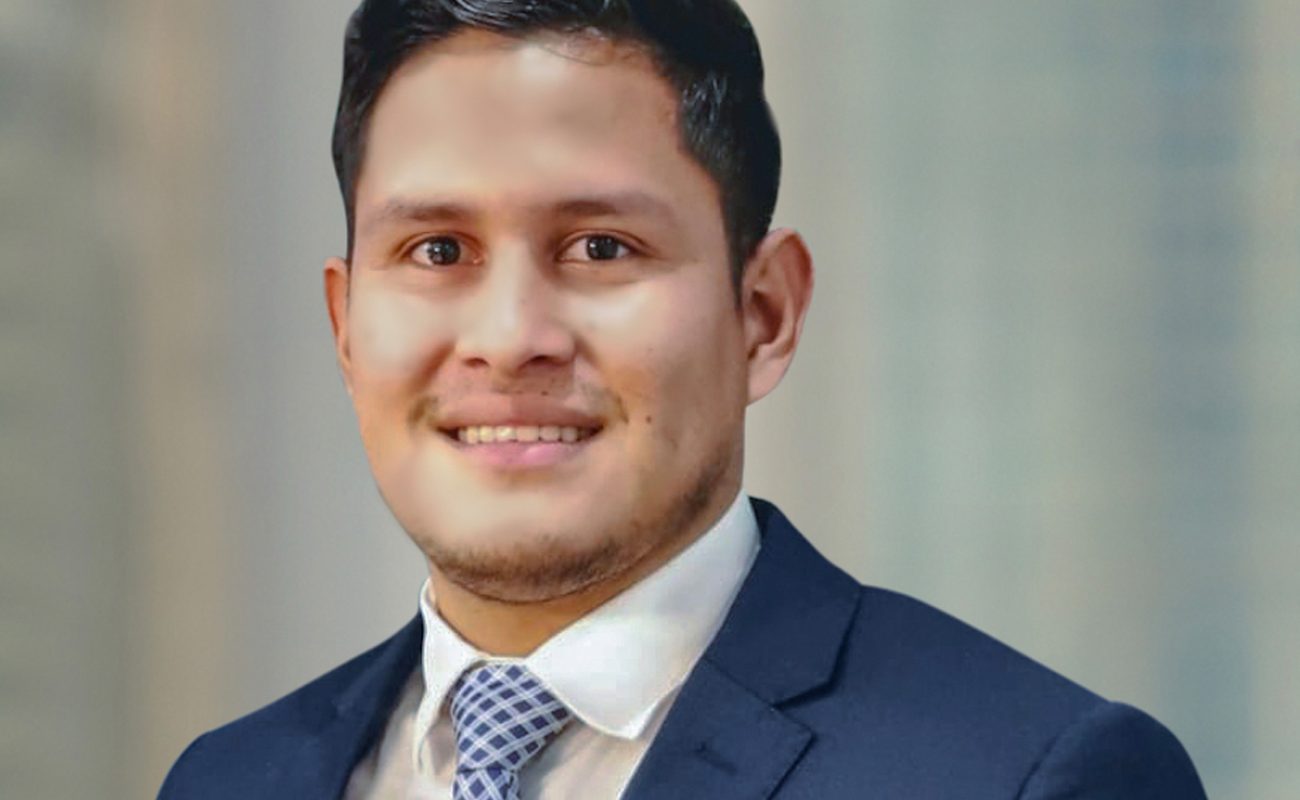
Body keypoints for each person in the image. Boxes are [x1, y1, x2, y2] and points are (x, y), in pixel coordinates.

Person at [160, 1, 1206, 797]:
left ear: (764, 312)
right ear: (346, 325)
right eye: (437, 250)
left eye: (600, 247)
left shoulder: (1023, 773)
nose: (510, 337)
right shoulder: (228, 778)